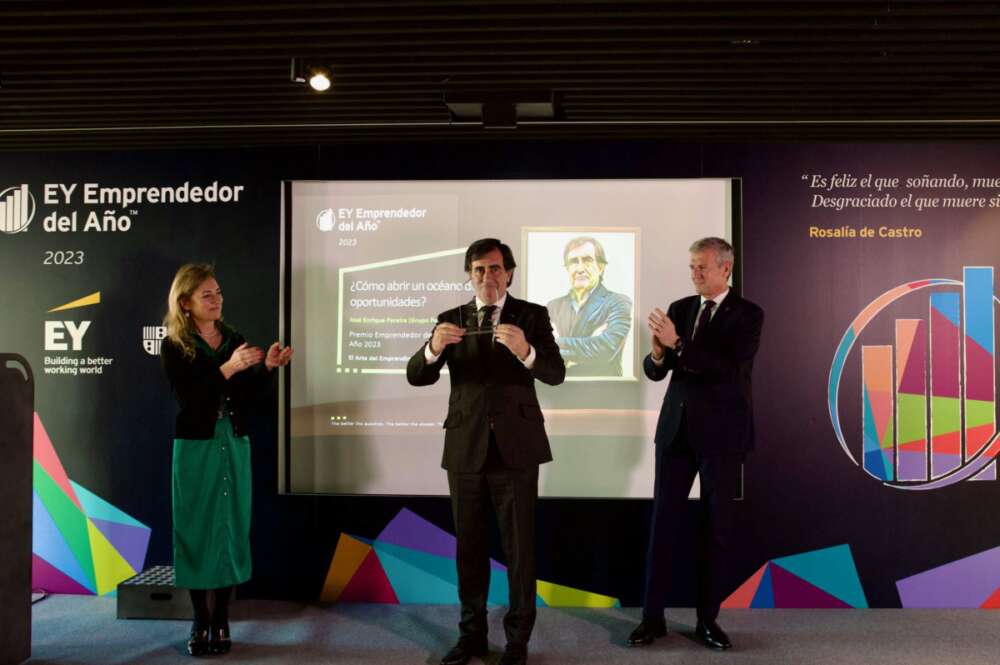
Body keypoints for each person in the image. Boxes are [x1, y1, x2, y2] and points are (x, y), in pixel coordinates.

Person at [407, 238, 565, 665]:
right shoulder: (450, 319)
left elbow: (555, 373)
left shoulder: (532, 315)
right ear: (469, 274)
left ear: (509, 272)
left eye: (494, 269)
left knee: (519, 549)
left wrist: (525, 351)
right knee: (469, 549)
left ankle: (517, 641)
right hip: (465, 448)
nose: (487, 277)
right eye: (478, 269)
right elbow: (416, 376)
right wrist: (433, 348)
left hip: (517, 447)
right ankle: (471, 636)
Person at [627, 237, 763, 651]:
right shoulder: (680, 309)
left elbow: (726, 369)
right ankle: (652, 619)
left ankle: (707, 620)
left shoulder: (748, 315)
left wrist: (679, 346)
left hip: (721, 436)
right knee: (661, 526)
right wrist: (656, 355)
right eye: (691, 267)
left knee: (715, 529)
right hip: (675, 432)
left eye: (702, 267)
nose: (695, 274)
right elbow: (658, 372)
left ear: (726, 269)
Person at [160, 263, 293, 657]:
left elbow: (248, 396)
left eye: (218, 292)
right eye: (207, 295)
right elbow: (193, 399)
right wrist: (230, 368)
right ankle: (200, 618)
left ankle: (222, 619)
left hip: (233, 441)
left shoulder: (233, 337)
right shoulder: (174, 345)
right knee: (197, 528)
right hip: (197, 445)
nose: (217, 300)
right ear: (185, 303)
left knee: (229, 526)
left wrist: (267, 366)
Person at [545, 236, 632, 377]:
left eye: (587, 260)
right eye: (573, 262)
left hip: (602, 390)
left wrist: (555, 343)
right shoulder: (553, 306)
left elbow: (606, 349)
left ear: (601, 267)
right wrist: (589, 345)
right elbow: (541, 350)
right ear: (567, 268)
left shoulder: (618, 302)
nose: (580, 268)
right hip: (560, 390)